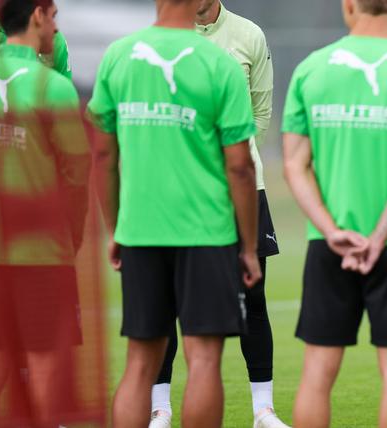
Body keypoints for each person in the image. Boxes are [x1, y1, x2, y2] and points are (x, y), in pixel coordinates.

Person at [88, 0, 261, 425]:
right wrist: (250, 246)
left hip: (141, 231)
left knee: (140, 362)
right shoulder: (217, 62)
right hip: (207, 234)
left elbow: (103, 154)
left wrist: (115, 228)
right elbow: (240, 165)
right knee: (203, 360)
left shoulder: (119, 55)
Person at [282, 0, 387, 426]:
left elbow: (294, 166)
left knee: (317, 373)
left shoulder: (311, 69)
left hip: (328, 245)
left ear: (348, 4)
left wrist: (332, 231)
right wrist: (377, 237)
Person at [147, 1, 286, 427]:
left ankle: (263, 409)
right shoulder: (161, 38)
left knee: (254, 299)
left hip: (241, 187)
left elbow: (261, 112)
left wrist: (229, 162)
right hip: (176, 191)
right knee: (163, 303)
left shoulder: (249, 35)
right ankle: (160, 408)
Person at [0, 0, 87, 426]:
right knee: (46, 370)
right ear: (36, 16)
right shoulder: (53, 87)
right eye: (53, 16)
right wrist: (75, 239)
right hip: (44, 253)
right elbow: (77, 175)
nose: (55, 25)